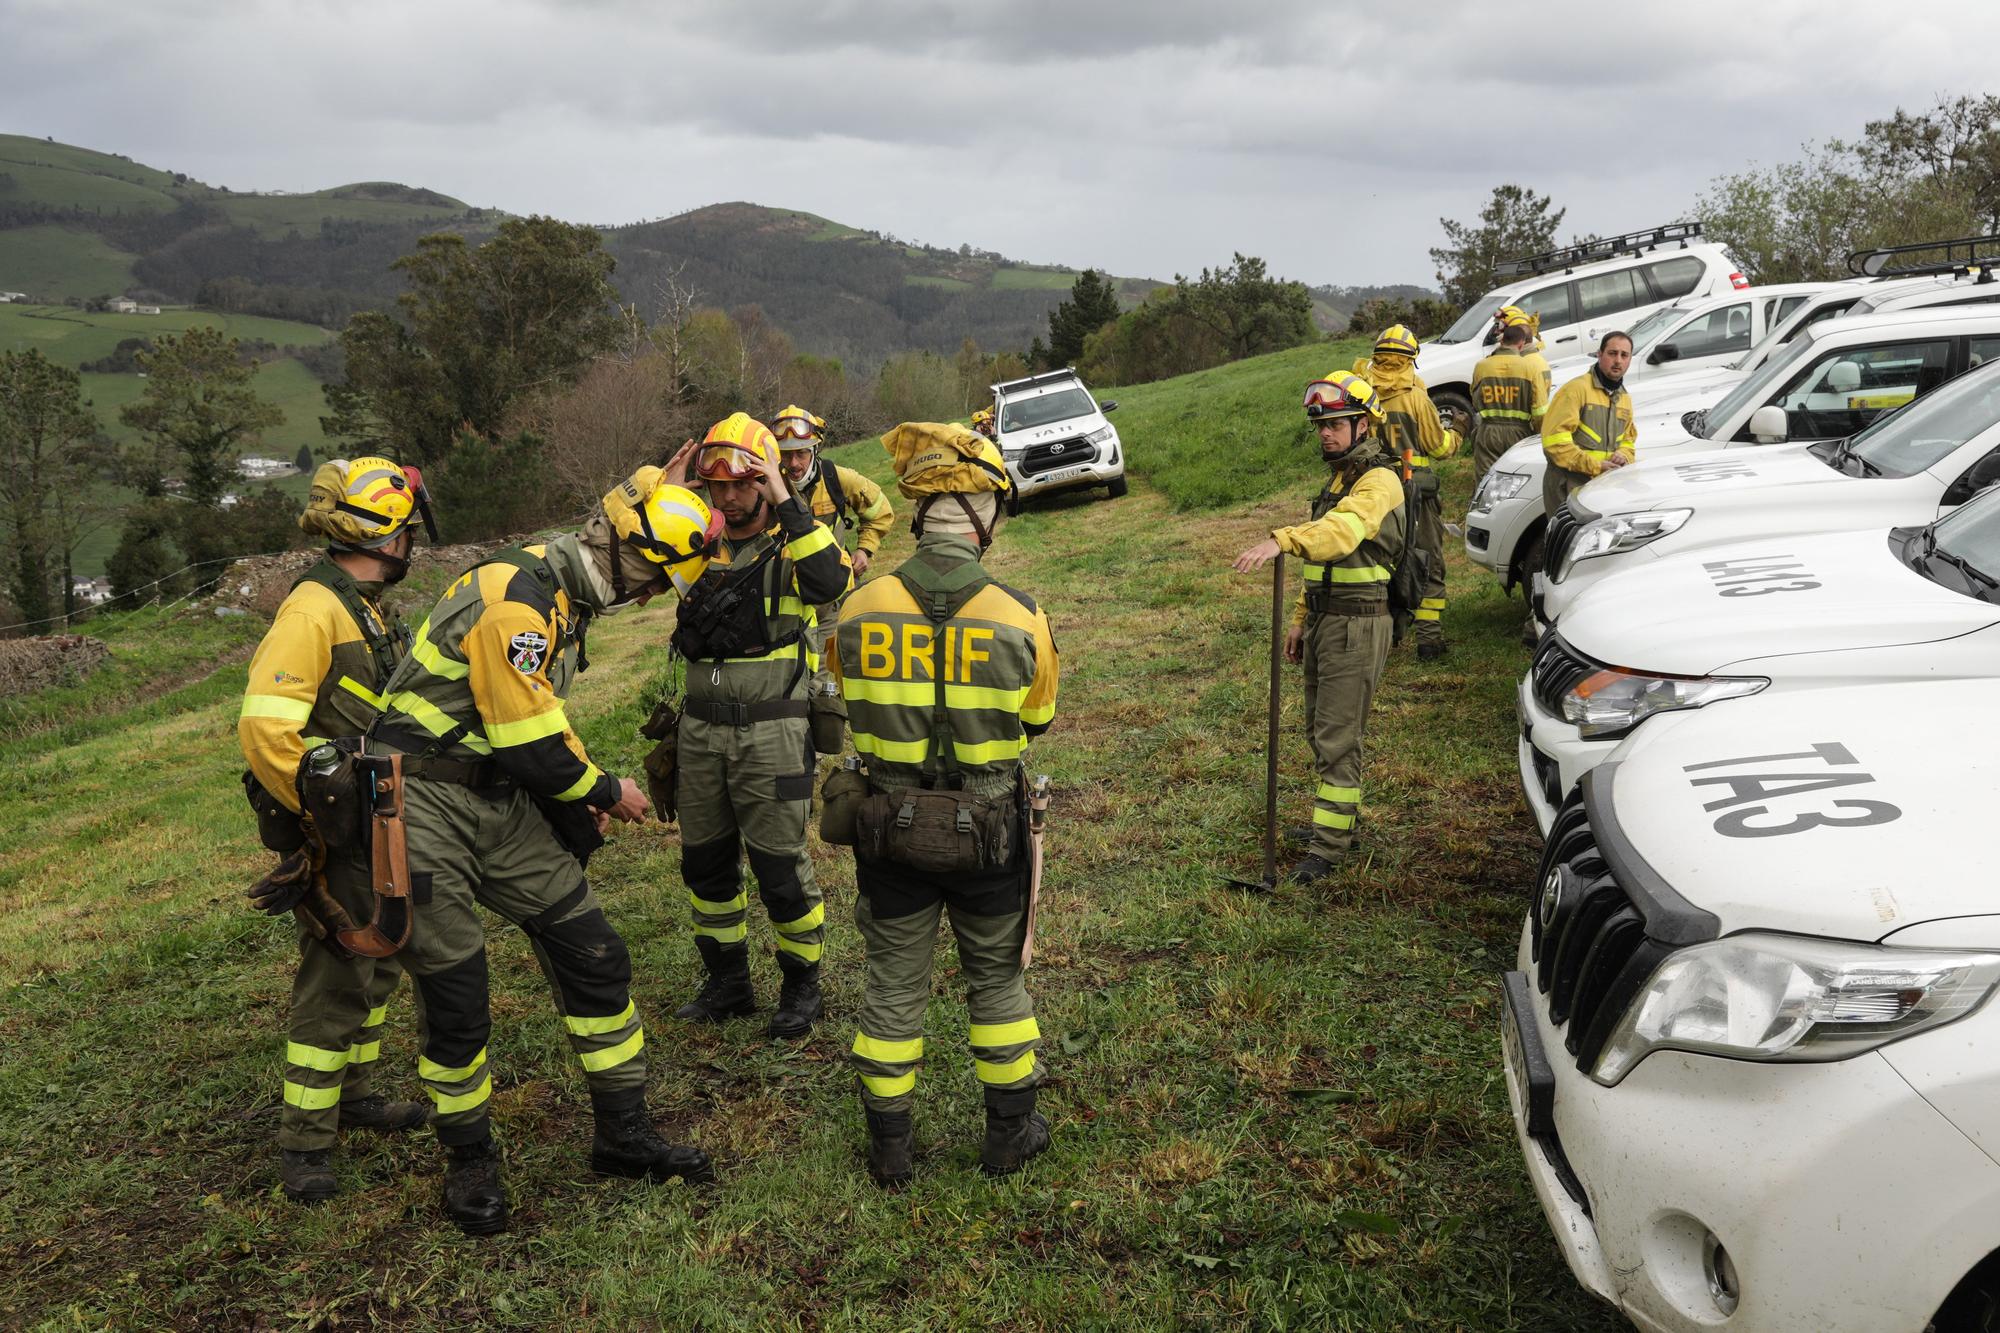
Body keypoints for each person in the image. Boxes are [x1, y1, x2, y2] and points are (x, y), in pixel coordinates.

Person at [366, 467, 717, 1235]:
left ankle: (623, 1135)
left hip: (497, 795)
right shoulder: (519, 601)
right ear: (624, 550)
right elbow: (529, 742)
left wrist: (574, 796)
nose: (651, 599)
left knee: (595, 952)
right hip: (422, 801)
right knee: (457, 996)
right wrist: (606, 791)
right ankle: (469, 1161)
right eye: (655, 580)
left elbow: (538, 715)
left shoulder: (561, 594)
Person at [825, 421, 1058, 1186]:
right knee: (997, 980)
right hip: (989, 832)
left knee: (893, 984)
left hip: (887, 830)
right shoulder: (1021, 614)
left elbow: (847, 704)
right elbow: (1037, 719)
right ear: (981, 513)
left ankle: (889, 1147)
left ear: (920, 511)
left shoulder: (857, 608)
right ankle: (1009, 1132)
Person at [238, 457, 435, 1204]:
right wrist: (319, 823)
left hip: (376, 819)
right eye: (407, 529)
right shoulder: (314, 610)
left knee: (379, 963)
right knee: (336, 976)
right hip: (342, 828)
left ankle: (354, 1095)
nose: (412, 541)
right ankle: (305, 1142)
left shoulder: (365, 606)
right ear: (384, 535)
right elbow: (266, 728)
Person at [667, 413, 852, 1039]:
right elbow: (632, 564)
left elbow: (831, 583)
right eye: (716, 486)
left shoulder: (797, 542)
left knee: (779, 867)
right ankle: (727, 983)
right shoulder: (699, 546)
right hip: (700, 732)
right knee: (705, 864)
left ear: (764, 480)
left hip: (772, 733)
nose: (727, 497)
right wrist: (663, 499)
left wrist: (786, 497)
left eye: (741, 484)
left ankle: (801, 985)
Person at [1231, 372, 1406, 884]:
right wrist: (1301, 619)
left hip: (1358, 622)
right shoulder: (1341, 478)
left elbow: (1340, 533)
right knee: (1318, 727)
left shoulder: (1379, 482)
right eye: (1321, 426)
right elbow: (1324, 565)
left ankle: (1329, 848)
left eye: (1336, 425)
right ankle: (1337, 821)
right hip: (1327, 618)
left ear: (1363, 425)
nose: (1325, 434)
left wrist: (1283, 539)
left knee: (1337, 737)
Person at [1354, 324, 1453, 659]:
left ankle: (1381, 634)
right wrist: (1456, 434)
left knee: (1377, 559)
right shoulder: (1416, 398)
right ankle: (1429, 640)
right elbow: (1439, 447)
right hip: (1414, 495)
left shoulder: (1362, 394)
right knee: (1427, 558)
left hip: (1372, 492)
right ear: (1411, 359)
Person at [771, 404, 895, 580]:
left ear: (814, 450)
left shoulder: (836, 478)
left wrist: (864, 550)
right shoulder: (767, 488)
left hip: (835, 581)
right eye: (786, 454)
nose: (793, 463)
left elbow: (880, 512)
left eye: (801, 453)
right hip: (784, 585)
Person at [1541, 332, 1637, 515]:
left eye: (1624, 355)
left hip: (1603, 488)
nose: (1618, 360)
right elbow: (1554, 443)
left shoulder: (1624, 397)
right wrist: (1596, 466)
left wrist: (1624, 455)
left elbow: (1629, 440)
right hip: (1569, 486)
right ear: (1599, 354)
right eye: (1612, 353)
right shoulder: (1576, 390)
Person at [1469, 317, 1549, 488]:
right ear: (1521, 345)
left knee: (1485, 480)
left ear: (1502, 341)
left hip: (1488, 432)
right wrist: (1537, 436)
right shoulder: (1530, 368)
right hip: (1520, 434)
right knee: (1517, 482)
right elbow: (1540, 410)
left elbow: (1475, 399)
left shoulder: (1481, 366)